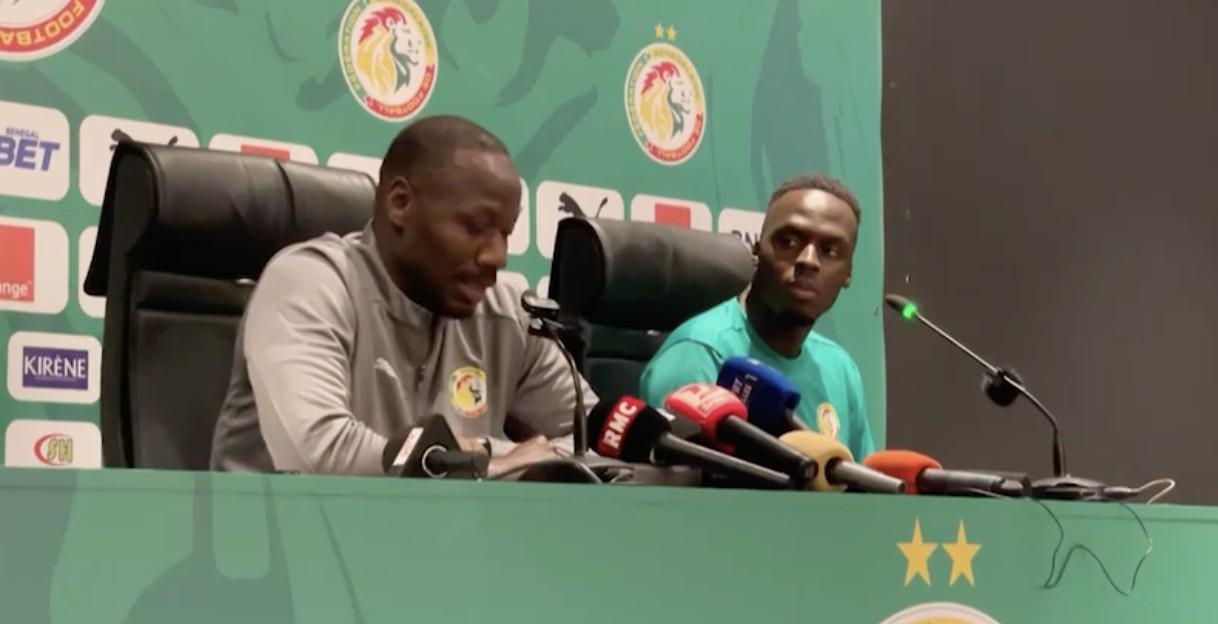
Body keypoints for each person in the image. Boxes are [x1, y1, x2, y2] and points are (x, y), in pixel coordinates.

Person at [211, 115, 593, 474]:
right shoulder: (309, 282)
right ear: (400, 204)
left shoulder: (510, 313)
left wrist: (484, 458)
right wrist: (490, 462)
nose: (498, 256)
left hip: (441, 525)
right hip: (279, 523)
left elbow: (591, 438)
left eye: (505, 233)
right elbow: (318, 456)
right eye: (476, 227)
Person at [640, 174, 874, 460]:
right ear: (757, 248)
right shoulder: (698, 352)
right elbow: (683, 481)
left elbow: (860, 481)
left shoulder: (840, 367)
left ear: (848, 273)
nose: (808, 260)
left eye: (830, 251)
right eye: (789, 241)